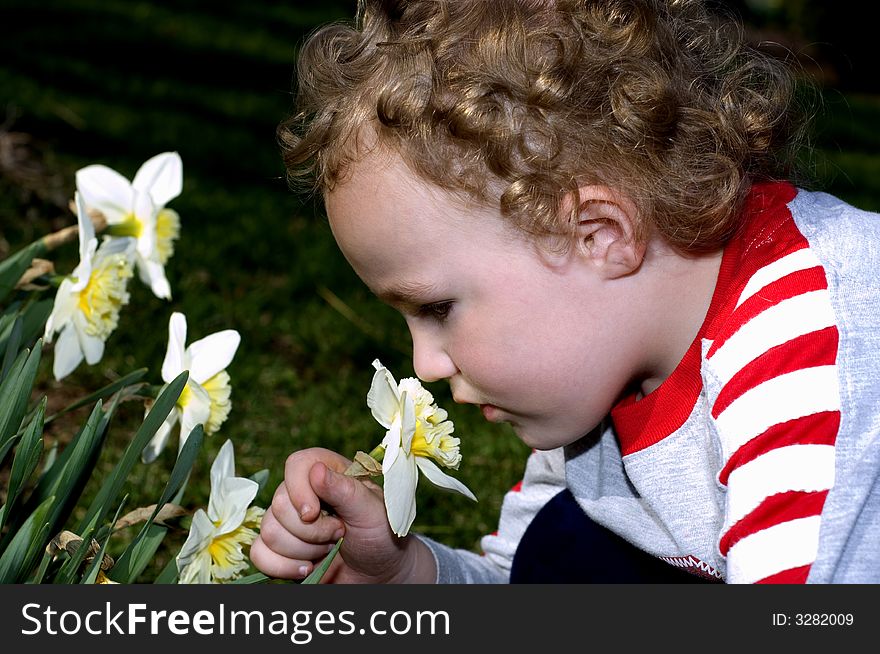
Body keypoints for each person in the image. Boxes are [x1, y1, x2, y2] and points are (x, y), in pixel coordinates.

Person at [249, 0, 880, 583]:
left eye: (437, 308)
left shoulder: (804, 351)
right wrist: (397, 573)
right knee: (567, 546)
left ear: (598, 236)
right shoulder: (605, 353)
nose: (426, 365)